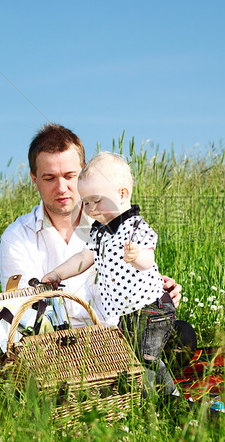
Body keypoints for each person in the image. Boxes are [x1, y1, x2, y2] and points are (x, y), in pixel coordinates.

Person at [0, 123, 181, 328]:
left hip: (119, 336)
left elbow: (135, 272)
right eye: (49, 178)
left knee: (182, 336)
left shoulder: (113, 221)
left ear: (84, 174)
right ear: (34, 179)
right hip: (54, 346)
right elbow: (24, 311)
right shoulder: (17, 237)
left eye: (70, 176)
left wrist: (156, 289)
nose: (61, 188)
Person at [42, 152, 179, 395]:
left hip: (149, 309)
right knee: (131, 358)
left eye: (96, 201)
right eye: (85, 202)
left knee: (145, 357)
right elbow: (84, 258)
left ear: (122, 195)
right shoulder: (99, 232)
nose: (90, 209)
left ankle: (171, 400)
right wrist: (57, 274)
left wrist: (137, 257)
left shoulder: (135, 226)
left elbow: (149, 259)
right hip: (126, 314)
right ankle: (142, 399)